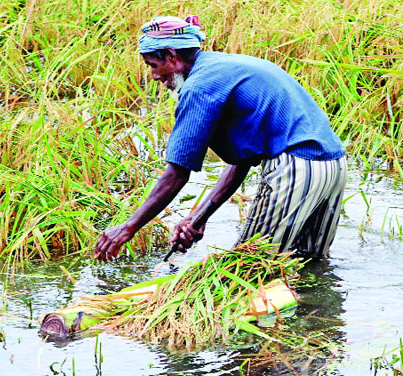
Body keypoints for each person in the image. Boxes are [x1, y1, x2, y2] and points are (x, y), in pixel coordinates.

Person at [94, 15, 346, 262]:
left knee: (251, 267)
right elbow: (242, 160)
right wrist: (199, 216)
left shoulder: (199, 87)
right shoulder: (222, 67)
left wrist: (128, 228)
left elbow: (177, 174)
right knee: (308, 263)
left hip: (296, 168)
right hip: (334, 166)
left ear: (171, 56)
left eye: (153, 65)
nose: (155, 77)